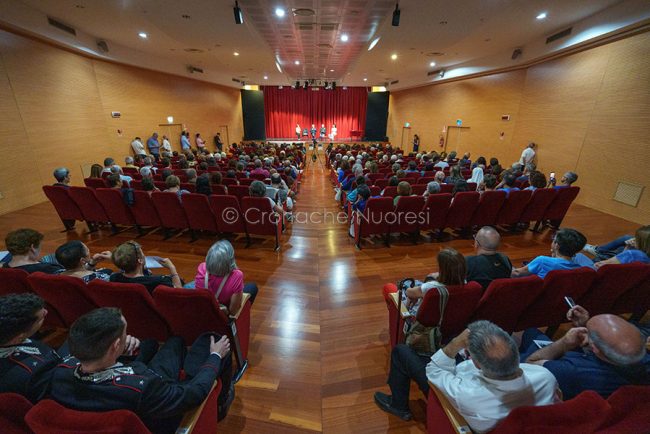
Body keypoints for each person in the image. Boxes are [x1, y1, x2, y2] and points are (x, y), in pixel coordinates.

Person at [49, 307, 234, 433]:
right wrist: (215, 356)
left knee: (171, 343)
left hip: (131, 393)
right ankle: (222, 404)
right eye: (124, 333)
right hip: (161, 411)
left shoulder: (60, 372)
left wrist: (123, 353)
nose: (127, 335)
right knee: (211, 345)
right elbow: (194, 393)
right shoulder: (142, 387)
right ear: (114, 346)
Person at [374, 321, 559, 430]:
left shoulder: (468, 395)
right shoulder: (545, 377)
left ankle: (398, 406)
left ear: (476, 363)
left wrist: (456, 342)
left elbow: (434, 371)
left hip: (453, 407)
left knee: (401, 351)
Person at [520, 306, 649, 399]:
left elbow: (530, 363)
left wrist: (564, 342)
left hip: (544, 379)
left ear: (595, 348)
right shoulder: (641, 360)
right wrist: (584, 324)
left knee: (529, 333)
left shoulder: (574, 372)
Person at [0, 293, 62, 402]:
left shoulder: (9, 333)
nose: (46, 312)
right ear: (19, 338)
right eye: (40, 319)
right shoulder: (37, 369)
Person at [382, 248, 465, 319]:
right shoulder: (465, 284)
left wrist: (412, 297)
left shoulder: (431, 288)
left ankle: (395, 321)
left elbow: (409, 293)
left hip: (420, 325)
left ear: (443, 270)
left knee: (389, 288)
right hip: (447, 322)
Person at [194, 240, 259, 314]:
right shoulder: (236, 275)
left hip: (204, 312)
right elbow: (233, 311)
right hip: (222, 316)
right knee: (252, 287)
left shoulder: (201, 268)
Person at [511, 228, 587, 279]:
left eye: (553, 240)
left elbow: (517, 274)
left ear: (557, 245)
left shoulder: (543, 261)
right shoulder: (579, 269)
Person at [109, 241, 182, 292]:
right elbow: (178, 293)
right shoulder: (157, 281)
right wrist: (172, 268)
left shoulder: (114, 278)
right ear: (140, 260)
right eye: (142, 252)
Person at [578, 225, 650, 268]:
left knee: (579, 257)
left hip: (596, 269)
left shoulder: (632, 254)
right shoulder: (642, 253)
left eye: (637, 238)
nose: (633, 239)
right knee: (624, 241)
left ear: (644, 244)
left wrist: (628, 249)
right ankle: (599, 251)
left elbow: (599, 265)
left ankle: (599, 252)